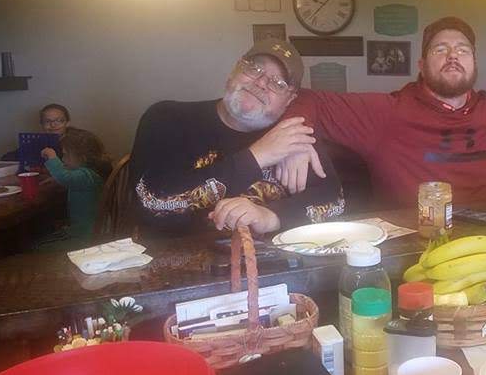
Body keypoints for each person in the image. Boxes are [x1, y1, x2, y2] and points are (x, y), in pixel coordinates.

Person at [278, 16, 486, 208]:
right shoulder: (386, 112)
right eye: (440, 49)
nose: (453, 56)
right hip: (411, 248)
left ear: (474, 63)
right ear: (422, 66)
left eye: (463, 50)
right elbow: (307, 98)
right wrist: (295, 140)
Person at [128, 38, 343, 237]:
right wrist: (257, 156)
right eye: (254, 69)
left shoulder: (294, 135)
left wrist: (271, 217)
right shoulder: (167, 118)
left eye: (278, 83)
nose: (261, 83)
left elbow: (335, 203)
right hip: (173, 260)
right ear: (234, 71)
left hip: (268, 262)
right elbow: (150, 200)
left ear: (289, 100)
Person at [38, 127, 111, 249]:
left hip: (87, 235)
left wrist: (52, 157)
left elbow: (64, 177)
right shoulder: (90, 173)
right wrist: (56, 180)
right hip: (90, 230)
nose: (63, 159)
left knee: (40, 246)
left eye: (65, 155)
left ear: (82, 157)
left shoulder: (86, 175)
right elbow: (69, 178)